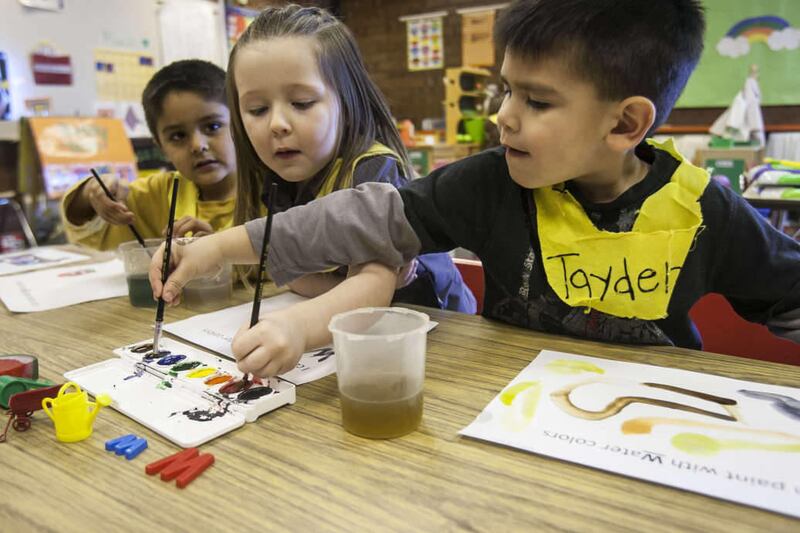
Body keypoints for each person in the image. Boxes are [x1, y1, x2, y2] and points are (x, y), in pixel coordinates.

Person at [154, 0, 800, 376]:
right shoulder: (489, 184)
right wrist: (217, 249)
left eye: (537, 101)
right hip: (502, 400)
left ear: (625, 122)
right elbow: (360, 219)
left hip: (647, 418)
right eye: (505, 90)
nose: (503, 116)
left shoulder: (703, 208)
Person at [226, 4, 473, 311]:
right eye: (258, 110)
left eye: (301, 103)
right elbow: (294, 279)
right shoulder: (276, 176)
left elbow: (370, 293)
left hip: (437, 328)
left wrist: (306, 289)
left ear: (347, 101)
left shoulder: (374, 170)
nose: (277, 124)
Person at [61, 59, 237, 250]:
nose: (198, 145)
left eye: (213, 126)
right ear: (161, 147)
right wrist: (92, 193)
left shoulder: (270, 191)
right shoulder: (160, 193)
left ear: (239, 124)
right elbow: (84, 226)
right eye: (178, 136)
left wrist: (219, 254)